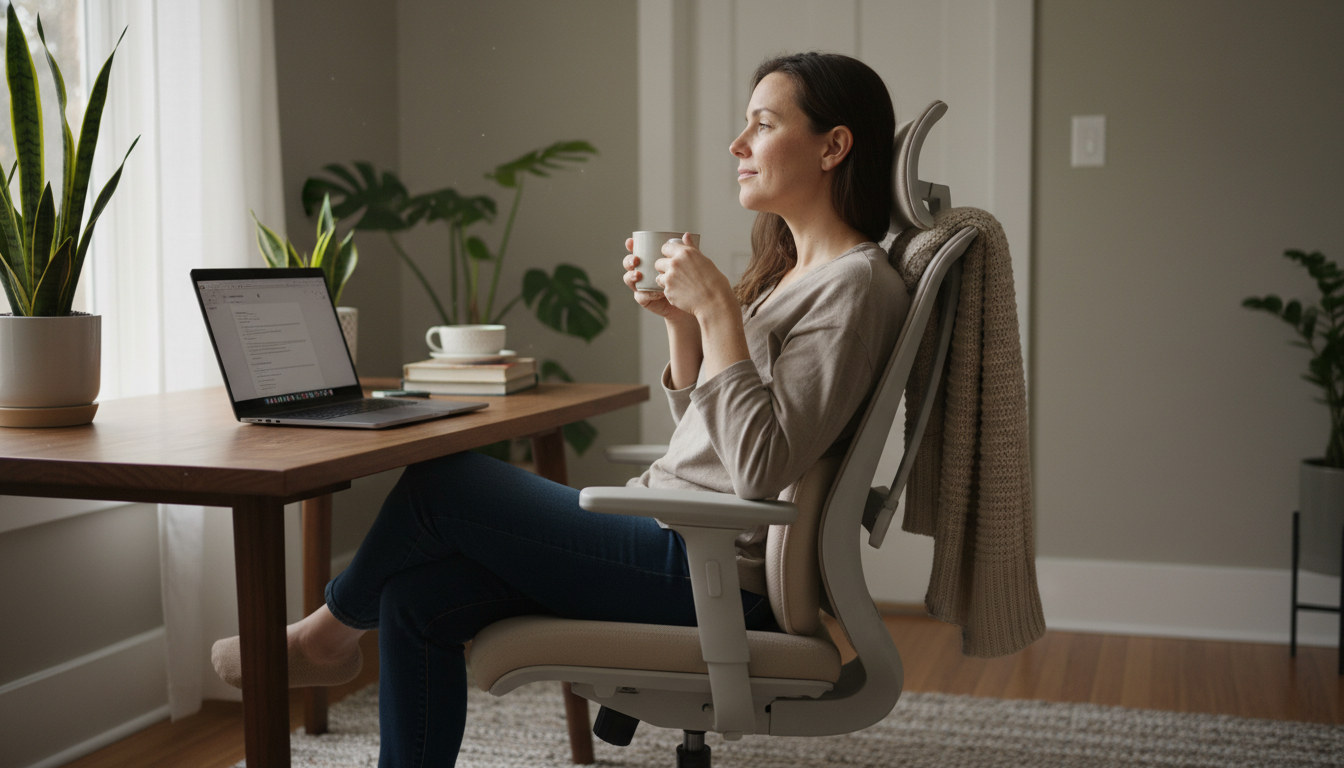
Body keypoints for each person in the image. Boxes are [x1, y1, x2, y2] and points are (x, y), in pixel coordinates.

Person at [211, 51, 910, 767]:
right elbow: (716, 442)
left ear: (833, 145)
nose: (738, 146)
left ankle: (326, 636)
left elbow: (760, 469)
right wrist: (681, 321)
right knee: (418, 600)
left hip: (710, 571)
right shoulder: (800, 273)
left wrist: (721, 315)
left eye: (761, 125)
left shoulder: (854, 287)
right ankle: (338, 648)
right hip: (675, 535)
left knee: (441, 482)